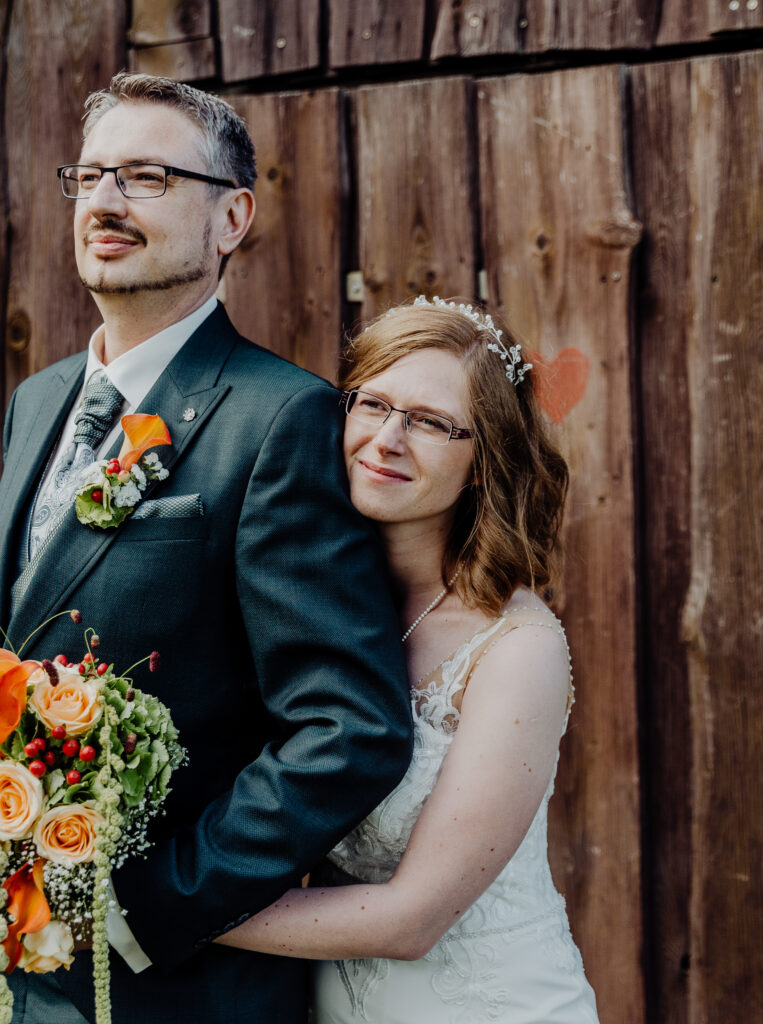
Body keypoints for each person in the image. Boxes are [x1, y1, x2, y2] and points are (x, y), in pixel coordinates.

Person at [0, 73, 414, 1023]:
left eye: (147, 176)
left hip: (173, 986)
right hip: (5, 964)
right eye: (88, 177)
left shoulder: (279, 418)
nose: (105, 201)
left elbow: (348, 727)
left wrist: (148, 907)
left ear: (231, 218)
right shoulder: (37, 402)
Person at [214, 296, 600, 1024]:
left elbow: (411, 920)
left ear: (485, 461)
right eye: (373, 405)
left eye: (429, 422)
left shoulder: (518, 650)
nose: (387, 439)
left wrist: (150, 908)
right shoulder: (300, 608)